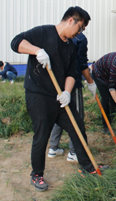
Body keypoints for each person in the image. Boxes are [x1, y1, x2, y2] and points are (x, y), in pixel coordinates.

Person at [10, 6, 106, 192]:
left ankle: (88, 167)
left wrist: (67, 93)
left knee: (77, 126)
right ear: (71, 20)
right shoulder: (42, 32)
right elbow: (15, 42)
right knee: (42, 136)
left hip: (59, 97)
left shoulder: (71, 46)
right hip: (38, 95)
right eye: (80, 28)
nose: (79, 33)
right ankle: (36, 175)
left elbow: (71, 72)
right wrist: (36, 50)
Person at [48, 13, 97, 163]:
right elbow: (82, 64)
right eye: (82, 27)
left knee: (60, 114)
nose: (81, 31)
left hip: (57, 83)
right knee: (77, 117)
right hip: (73, 82)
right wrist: (90, 81)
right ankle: (74, 152)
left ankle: (53, 148)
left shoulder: (57, 34)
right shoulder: (80, 39)